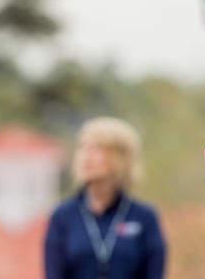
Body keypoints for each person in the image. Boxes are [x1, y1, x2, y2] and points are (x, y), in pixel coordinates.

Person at [43, 116, 166, 279]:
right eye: (83, 147)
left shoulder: (144, 218)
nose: (86, 155)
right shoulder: (63, 217)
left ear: (121, 158)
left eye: (97, 148)